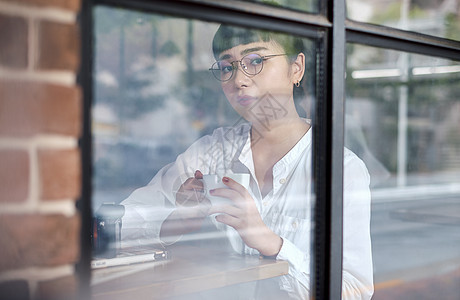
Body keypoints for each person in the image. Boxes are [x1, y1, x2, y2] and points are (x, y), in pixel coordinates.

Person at [121, 24, 373, 299]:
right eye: (227, 67)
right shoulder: (208, 154)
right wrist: (175, 221)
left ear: (296, 68)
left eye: (256, 61)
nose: (238, 79)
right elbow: (115, 228)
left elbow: (353, 291)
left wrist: (273, 244)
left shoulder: (341, 169)